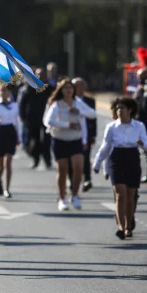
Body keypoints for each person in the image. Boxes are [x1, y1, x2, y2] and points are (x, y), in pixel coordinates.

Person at [93, 97, 147, 238]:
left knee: (130, 196)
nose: (119, 111)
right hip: (116, 158)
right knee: (120, 195)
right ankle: (121, 226)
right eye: (117, 108)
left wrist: (141, 143)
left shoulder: (139, 126)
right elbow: (105, 146)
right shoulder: (111, 127)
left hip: (132, 158)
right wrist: (97, 163)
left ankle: (128, 225)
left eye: (122, 108)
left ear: (129, 110)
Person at [43, 78, 96, 211]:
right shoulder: (57, 104)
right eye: (66, 88)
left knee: (78, 168)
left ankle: (75, 195)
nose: (68, 90)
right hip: (59, 140)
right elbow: (49, 121)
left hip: (76, 140)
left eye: (70, 88)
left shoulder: (78, 103)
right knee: (62, 169)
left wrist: (79, 112)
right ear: (61, 90)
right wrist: (67, 125)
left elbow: (92, 114)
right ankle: (62, 198)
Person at [0, 84, 21, 198]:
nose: (3, 92)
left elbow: (17, 121)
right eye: (1, 90)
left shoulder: (14, 105)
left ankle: (7, 188)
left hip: (10, 132)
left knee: (8, 162)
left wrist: (19, 137)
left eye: (6, 90)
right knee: (0, 164)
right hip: (0, 131)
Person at [18, 68, 51, 169]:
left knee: (46, 141)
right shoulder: (29, 88)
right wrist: (23, 117)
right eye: (38, 75)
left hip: (46, 119)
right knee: (34, 141)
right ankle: (36, 160)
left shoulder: (48, 88)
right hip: (32, 119)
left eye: (41, 75)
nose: (40, 77)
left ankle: (47, 161)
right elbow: (22, 104)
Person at [75, 79, 98, 192]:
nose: (77, 88)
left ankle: (87, 179)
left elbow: (93, 119)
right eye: (75, 86)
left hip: (87, 134)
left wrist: (93, 136)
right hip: (73, 134)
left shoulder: (89, 101)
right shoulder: (68, 101)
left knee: (86, 157)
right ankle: (74, 179)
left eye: (79, 86)